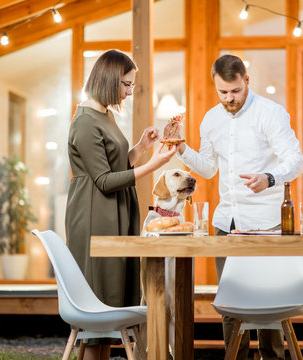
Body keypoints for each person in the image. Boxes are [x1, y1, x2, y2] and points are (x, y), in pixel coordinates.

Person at [177, 54, 303, 360]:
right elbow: (208, 169)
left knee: (269, 304)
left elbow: (295, 160)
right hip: (227, 223)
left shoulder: (270, 113)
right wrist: (182, 149)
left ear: (246, 81)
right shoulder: (211, 119)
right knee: (231, 305)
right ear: (216, 86)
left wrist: (270, 177)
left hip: (265, 224)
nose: (229, 98)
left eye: (235, 91)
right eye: (222, 92)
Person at [65, 49, 177, 360]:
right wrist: (155, 164)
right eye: (126, 85)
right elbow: (103, 180)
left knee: (113, 308)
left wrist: (142, 147)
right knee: (99, 309)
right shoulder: (85, 122)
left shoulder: (104, 114)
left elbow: (116, 164)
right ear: (110, 80)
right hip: (96, 215)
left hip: (115, 211)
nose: (129, 91)